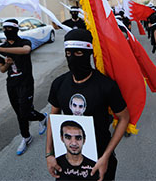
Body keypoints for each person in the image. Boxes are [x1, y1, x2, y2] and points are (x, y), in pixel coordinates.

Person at [46, 29, 130, 181]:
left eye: (78, 53)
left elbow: (124, 117)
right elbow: (53, 117)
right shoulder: (58, 84)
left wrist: (106, 156)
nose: (72, 58)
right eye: (68, 53)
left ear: (89, 52)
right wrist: (49, 153)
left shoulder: (106, 85)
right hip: (67, 162)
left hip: (100, 159)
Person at [0, 19, 47, 155]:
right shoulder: (2, 47)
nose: (7, 32)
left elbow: (26, 51)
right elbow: (2, 69)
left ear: (16, 29)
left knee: (25, 112)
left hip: (26, 83)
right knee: (19, 113)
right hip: (12, 85)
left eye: (10, 29)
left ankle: (42, 117)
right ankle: (26, 137)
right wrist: (7, 63)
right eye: (5, 29)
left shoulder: (24, 42)